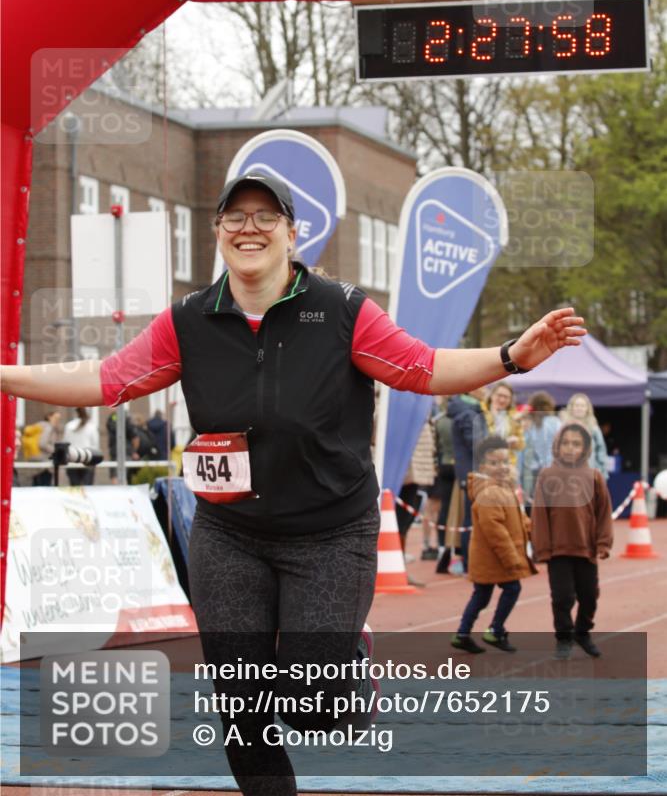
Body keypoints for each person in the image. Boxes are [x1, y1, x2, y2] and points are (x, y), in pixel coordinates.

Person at [1, 171, 586, 796]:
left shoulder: (341, 310)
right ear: (218, 231)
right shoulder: (188, 322)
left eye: (265, 217)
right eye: (235, 217)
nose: (248, 228)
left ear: (291, 232)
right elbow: (102, 377)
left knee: (317, 703)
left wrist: (510, 357)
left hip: (331, 533)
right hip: (230, 534)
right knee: (241, 703)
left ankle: (349, 673)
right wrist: (5, 375)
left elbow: (422, 367)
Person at [531, 422, 613, 660]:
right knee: (562, 597)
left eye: (576, 444)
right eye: (565, 443)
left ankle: (583, 632)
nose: (570, 448)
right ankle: (564, 637)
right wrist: (542, 548)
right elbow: (539, 514)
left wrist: (603, 543)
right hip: (557, 550)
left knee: (589, 595)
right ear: (557, 445)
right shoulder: (547, 475)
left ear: (585, 448)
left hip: (586, 549)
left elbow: (603, 512)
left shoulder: (594, 476)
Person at [451, 436, 536, 655]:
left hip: (491, 557)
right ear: (482, 466)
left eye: (505, 462)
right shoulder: (489, 493)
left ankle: (463, 633)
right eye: (494, 463)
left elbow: (517, 518)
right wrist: (512, 558)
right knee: (511, 588)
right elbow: (495, 531)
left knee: (481, 595)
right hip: (494, 557)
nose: (502, 467)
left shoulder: (503, 488)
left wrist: (533, 530)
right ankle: (495, 630)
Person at [447, 387, 487, 572]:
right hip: (473, 474)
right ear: (472, 390)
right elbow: (477, 445)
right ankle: (470, 564)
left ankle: (469, 562)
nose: (486, 390)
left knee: (471, 520)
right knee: (471, 521)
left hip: (471, 473)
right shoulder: (468, 414)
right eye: (483, 386)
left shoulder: (468, 411)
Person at [395, 414, 436, 585]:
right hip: (393, 468)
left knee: (404, 522)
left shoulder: (421, 403)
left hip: (414, 470)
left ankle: (400, 568)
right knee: (393, 521)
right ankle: (392, 568)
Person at [519, 391, 561, 508]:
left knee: (531, 503)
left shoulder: (528, 423)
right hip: (552, 468)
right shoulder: (555, 422)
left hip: (530, 470)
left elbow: (523, 445)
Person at [430, 396, 457, 572]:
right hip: (458, 467)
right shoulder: (462, 419)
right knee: (456, 511)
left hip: (444, 466)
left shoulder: (438, 421)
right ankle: (451, 551)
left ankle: (442, 548)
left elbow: (435, 446)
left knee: (444, 509)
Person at [559, 392, 609, 477]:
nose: (579, 408)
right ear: (571, 407)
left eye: (582, 406)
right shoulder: (562, 427)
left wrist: (602, 473)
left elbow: (601, 451)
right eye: (577, 405)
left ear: (587, 409)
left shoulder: (594, 427)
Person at [481, 381, 525, 468]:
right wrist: (493, 416)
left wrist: (515, 442)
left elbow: (521, 445)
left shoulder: (513, 416)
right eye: (499, 395)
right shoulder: (481, 411)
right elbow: (481, 440)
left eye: (506, 397)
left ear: (511, 399)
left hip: (506, 464)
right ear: (492, 395)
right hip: (486, 464)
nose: (502, 400)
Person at [63, 407, 100, 486]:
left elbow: (65, 443)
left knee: (74, 488)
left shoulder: (68, 426)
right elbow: (95, 445)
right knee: (88, 488)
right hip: (88, 460)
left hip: (72, 461)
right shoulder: (91, 427)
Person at [30, 409, 62, 486]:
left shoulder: (40, 426)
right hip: (43, 463)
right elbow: (42, 444)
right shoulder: (48, 427)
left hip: (36, 459)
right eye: (56, 418)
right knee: (44, 487)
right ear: (49, 417)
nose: (57, 421)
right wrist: (55, 450)